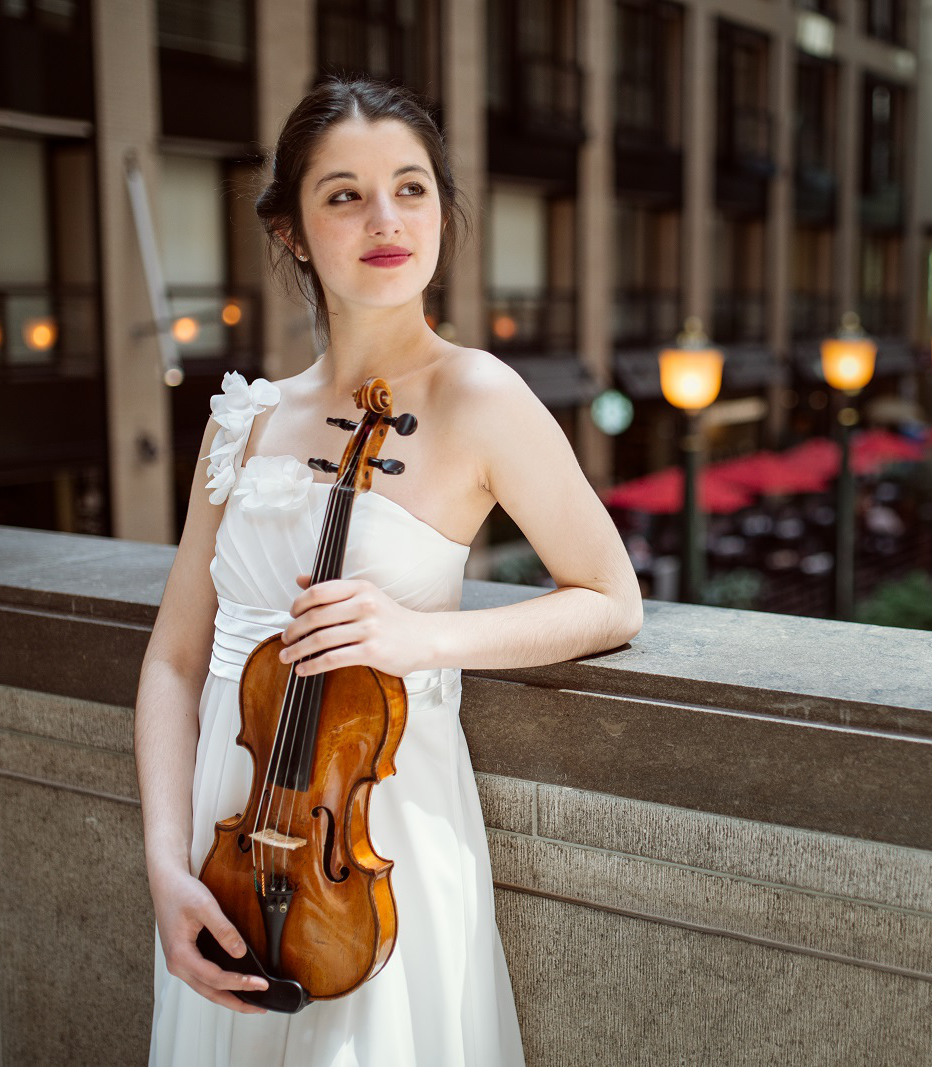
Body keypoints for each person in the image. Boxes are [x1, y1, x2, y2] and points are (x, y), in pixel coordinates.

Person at [135, 76, 645, 1066]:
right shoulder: (242, 417)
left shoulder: (479, 395)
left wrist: (423, 637)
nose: (386, 219)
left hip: (377, 843)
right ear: (289, 228)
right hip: (227, 842)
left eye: (412, 188)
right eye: (343, 194)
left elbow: (609, 597)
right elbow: (174, 659)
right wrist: (165, 863)